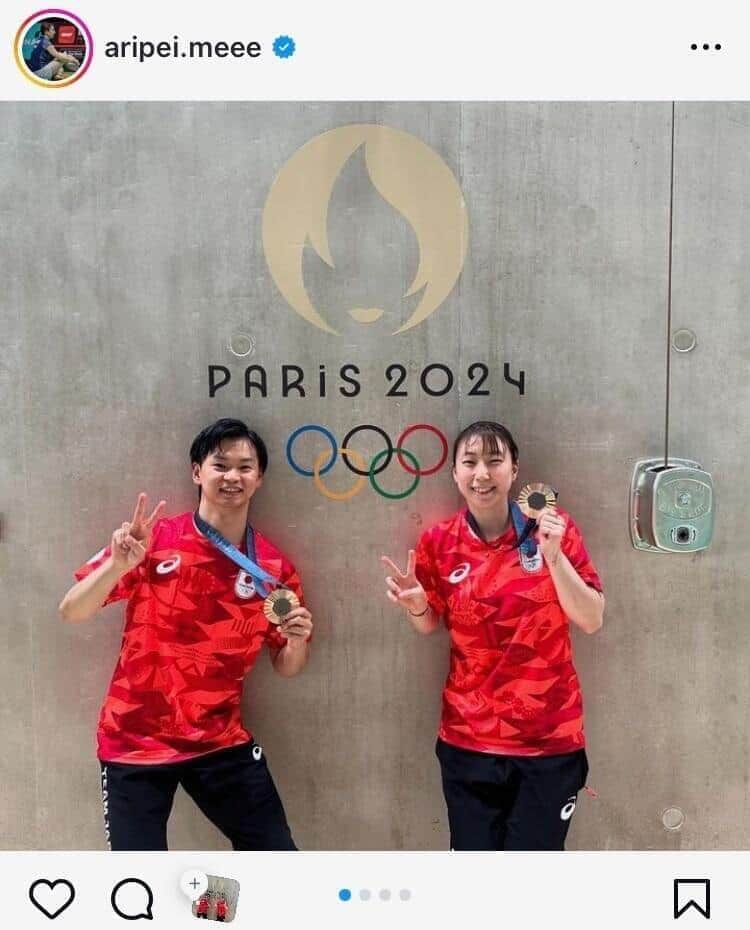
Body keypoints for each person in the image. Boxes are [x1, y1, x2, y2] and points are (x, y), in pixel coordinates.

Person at [59, 418, 313, 850]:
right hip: (133, 740)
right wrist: (118, 565)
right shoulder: (154, 539)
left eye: (245, 467)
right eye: (220, 465)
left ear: (259, 479)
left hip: (219, 741)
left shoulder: (273, 569)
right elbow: (71, 610)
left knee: (277, 858)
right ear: (197, 472)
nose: (232, 477)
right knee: (138, 882)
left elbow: (286, 667)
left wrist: (297, 640)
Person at [381, 420, 604, 850]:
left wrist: (554, 557)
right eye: (470, 462)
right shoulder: (438, 543)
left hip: (549, 741)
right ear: (455, 474)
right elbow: (429, 623)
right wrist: (416, 604)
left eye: (494, 461)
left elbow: (592, 618)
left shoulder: (554, 528)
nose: (481, 473)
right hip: (469, 740)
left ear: (514, 470)